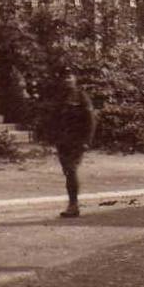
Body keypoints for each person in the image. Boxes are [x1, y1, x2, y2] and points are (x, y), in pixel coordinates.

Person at [43, 85, 99, 218]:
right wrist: (52, 137)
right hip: (63, 141)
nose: (66, 79)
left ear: (74, 79)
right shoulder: (59, 96)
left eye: (69, 76)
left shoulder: (81, 96)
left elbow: (91, 119)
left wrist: (87, 140)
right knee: (68, 171)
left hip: (77, 141)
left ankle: (73, 205)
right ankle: (72, 203)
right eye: (64, 77)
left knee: (71, 169)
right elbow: (53, 119)